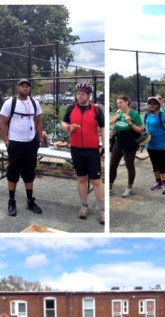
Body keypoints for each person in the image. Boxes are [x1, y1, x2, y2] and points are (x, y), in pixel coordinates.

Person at [62, 82, 105, 225]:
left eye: (82, 94)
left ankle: (102, 210)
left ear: (88, 95)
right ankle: (84, 206)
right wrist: (68, 127)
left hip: (92, 149)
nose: (79, 96)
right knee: (81, 179)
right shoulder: (71, 108)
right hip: (76, 149)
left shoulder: (96, 110)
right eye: (78, 93)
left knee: (96, 181)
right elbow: (64, 122)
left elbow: (103, 129)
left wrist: (104, 148)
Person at [0, 79, 44, 217]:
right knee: (13, 171)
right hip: (15, 143)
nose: (25, 88)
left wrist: (39, 138)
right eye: (22, 86)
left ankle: (30, 201)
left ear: (30, 89)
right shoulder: (10, 103)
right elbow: (3, 123)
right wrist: (7, 141)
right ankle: (11, 201)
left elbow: (38, 122)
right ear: (18, 88)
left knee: (29, 171)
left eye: (27, 86)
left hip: (30, 142)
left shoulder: (34, 103)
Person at [109, 95, 144, 198]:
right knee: (112, 164)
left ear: (126, 102)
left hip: (130, 142)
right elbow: (111, 124)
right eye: (117, 103)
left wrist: (130, 123)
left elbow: (141, 130)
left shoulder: (134, 114)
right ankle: (109, 188)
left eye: (120, 102)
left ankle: (129, 188)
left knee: (129, 165)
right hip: (118, 140)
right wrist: (114, 119)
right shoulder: (118, 112)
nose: (118, 104)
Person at [145, 96, 165, 195]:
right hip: (150, 144)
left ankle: (164, 184)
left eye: (153, 104)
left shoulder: (162, 116)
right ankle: (158, 182)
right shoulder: (147, 115)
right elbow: (146, 127)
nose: (151, 105)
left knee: (161, 164)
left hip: (160, 144)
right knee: (154, 164)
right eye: (149, 103)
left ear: (158, 106)